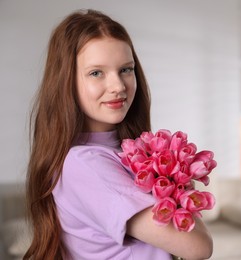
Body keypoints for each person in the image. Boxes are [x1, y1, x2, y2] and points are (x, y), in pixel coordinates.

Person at [24, 9, 213, 260]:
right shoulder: (85, 164)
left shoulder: (125, 151)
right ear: (65, 81)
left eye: (126, 69)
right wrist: (178, 179)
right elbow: (198, 247)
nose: (118, 86)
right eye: (96, 73)